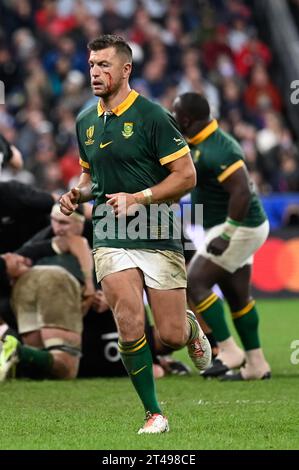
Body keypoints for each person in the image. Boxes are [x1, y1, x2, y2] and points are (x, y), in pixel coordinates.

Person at [60, 34, 211, 434]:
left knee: (172, 336)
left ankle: (189, 326)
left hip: (157, 231)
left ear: (126, 69)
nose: (95, 72)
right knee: (127, 319)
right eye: (92, 64)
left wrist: (140, 198)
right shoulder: (85, 121)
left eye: (104, 65)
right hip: (109, 233)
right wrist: (77, 192)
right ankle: (153, 412)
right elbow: (92, 176)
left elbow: (186, 176)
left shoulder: (153, 117)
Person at [173, 92, 271, 381]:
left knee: (195, 281)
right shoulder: (202, 142)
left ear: (187, 119)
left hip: (240, 227)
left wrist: (227, 233)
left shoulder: (219, 148)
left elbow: (241, 190)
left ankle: (228, 351)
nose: (174, 118)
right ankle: (256, 364)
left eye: (176, 114)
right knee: (237, 296)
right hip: (238, 226)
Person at [0, 204, 95, 381]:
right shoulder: (37, 245)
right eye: (55, 221)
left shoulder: (24, 255)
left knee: (42, 367)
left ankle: (16, 354)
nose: (58, 228)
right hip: (50, 290)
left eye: (64, 223)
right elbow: (78, 243)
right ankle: (17, 351)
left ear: (79, 222)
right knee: (66, 365)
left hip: (22, 302)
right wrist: (90, 286)